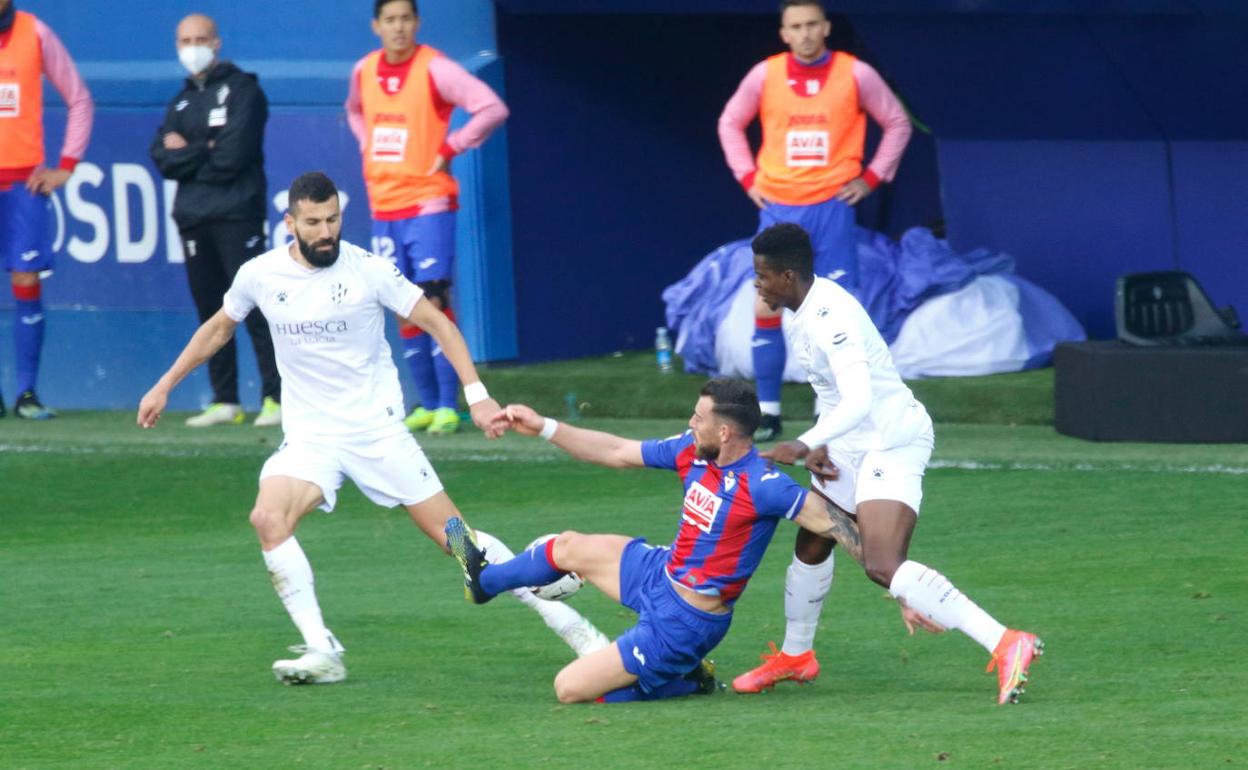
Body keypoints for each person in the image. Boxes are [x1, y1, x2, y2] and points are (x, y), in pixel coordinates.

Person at [137, 172, 607, 685]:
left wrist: (477, 395)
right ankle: (322, 650)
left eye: (332, 220)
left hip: (378, 436)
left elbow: (439, 324)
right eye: (313, 222)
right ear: (290, 223)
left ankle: (581, 635)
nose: (325, 232)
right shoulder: (260, 274)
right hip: (311, 441)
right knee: (268, 518)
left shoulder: (369, 270)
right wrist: (165, 385)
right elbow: (219, 327)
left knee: (459, 542)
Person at [735, 223, 1043, 705]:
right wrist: (822, 445)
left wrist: (804, 442)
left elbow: (859, 399)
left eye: (762, 276)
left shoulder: (830, 317)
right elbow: (832, 393)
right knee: (813, 540)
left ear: (788, 275)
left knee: (883, 564)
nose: (757, 285)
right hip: (851, 444)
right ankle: (797, 657)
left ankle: (1007, 642)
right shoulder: (798, 311)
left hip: (890, 440)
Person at [444, 378, 882, 704]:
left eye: (699, 417)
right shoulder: (692, 451)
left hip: (686, 621)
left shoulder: (765, 485)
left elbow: (838, 527)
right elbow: (615, 451)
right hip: (662, 571)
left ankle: (686, 679)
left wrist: (900, 586)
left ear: (725, 432)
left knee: (569, 689)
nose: (691, 423)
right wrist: (543, 427)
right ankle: (485, 582)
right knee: (569, 546)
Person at [718, 0, 912, 441]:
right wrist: (748, 176)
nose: (804, 33)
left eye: (811, 24)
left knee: (839, 307)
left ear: (825, 27)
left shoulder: (855, 73)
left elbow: (898, 122)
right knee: (765, 304)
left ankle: (845, 409)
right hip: (779, 205)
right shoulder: (765, 75)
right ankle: (768, 412)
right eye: (795, 27)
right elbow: (730, 122)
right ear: (784, 33)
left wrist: (871, 178)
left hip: (831, 206)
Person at [345, 0, 509, 436]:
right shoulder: (364, 71)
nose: (398, 28)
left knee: (432, 298)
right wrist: (367, 145)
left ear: (416, 23)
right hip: (385, 203)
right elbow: (356, 112)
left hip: (428, 200)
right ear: (376, 26)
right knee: (401, 304)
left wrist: (452, 146)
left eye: (405, 19)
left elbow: (491, 107)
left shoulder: (435, 68)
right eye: (390, 20)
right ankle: (423, 402)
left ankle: (446, 405)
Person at [148, 14, 282, 428]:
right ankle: (225, 399)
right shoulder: (182, 100)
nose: (193, 47)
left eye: (200, 38)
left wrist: (192, 152)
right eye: (185, 40)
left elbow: (232, 157)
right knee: (212, 311)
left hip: (237, 213)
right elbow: (162, 158)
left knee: (256, 307)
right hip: (193, 218)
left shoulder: (243, 90)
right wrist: (203, 148)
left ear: (217, 42)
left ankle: (276, 396)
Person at [0, 0, 93, 419]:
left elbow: (79, 99)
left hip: (23, 185)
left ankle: (26, 393)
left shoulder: (34, 32)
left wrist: (66, 166)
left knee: (25, 277)